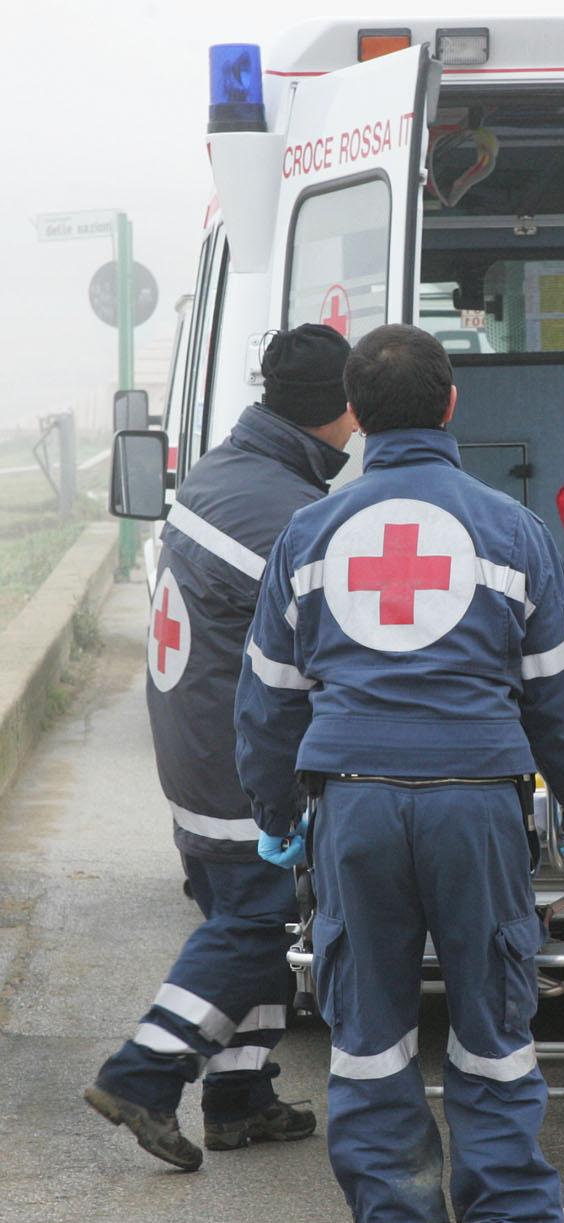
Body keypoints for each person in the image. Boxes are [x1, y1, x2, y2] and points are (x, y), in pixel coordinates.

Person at [233, 323, 564, 1223]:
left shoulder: (310, 534)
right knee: (492, 1034)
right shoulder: (511, 529)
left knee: (369, 1038)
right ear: (452, 403)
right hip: (475, 803)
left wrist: (276, 816)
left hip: (350, 805)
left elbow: (268, 698)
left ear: (354, 413)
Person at [85, 323, 356, 1171]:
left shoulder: (228, 473)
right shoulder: (284, 512)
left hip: (195, 741)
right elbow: (335, 643)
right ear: (341, 409)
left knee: (255, 919)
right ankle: (141, 1074)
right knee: (256, 921)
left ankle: (240, 1097)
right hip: (234, 752)